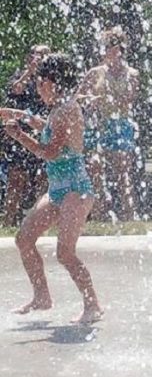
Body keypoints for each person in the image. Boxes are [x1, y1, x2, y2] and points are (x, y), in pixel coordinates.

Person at [0, 53, 102, 323]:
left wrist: (18, 135)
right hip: (59, 191)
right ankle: (42, 296)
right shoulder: (60, 109)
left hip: (76, 191)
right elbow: (50, 128)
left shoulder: (66, 110)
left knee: (65, 253)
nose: (37, 88)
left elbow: (50, 152)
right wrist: (23, 116)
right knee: (24, 239)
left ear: (51, 83)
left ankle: (93, 306)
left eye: (39, 83)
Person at [79, 26, 140, 221]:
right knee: (95, 168)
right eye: (108, 48)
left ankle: (129, 215)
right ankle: (99, 213)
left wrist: (107, 97)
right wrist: (90, 99)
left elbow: (130, 99)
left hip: (120, 124)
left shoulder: (132, 74)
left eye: (116, 48)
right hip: (98, 124)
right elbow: (78, 97)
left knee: (123, 170)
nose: (112, 52)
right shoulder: (94, 73)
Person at [1, 45, 50, 227]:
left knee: (43, 178)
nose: (40, 58)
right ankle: (7, 222)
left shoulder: (50, 78)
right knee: (16, 178)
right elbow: (15, 90)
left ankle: (40, 223)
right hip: (20, 133)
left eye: (44, 55)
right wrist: (29, 71)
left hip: (43, 131)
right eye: (36, 54)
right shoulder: (21, 75)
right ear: (29, 58)